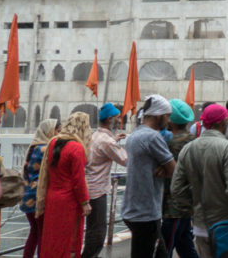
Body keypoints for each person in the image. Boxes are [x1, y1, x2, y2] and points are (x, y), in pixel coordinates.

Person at [172, 104, 228, 257]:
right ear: (222, 122)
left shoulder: (188, 149)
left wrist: (195, 207)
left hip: (201, 225)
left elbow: (177, 189)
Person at [122, 95, 176, 258]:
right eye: (167, 116)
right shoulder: (153, 137)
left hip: (132, 208)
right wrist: (166, 167)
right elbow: (174, 170)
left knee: (160, 254)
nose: (168, 121)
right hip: (145, 213)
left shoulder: (134, 135)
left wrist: (163, 167)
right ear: (158, 115)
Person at [36, 112, 92, 258]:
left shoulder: (53, 142)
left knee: (52, 239)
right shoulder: (77, 148)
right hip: (69, 202)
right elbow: (78, 180)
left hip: (52, 198)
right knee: (69, 241)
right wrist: (85, 202)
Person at [82, 104, 128, 258]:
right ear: (109, 119)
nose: (119, 120)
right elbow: (126, 160)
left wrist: (114, 140)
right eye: (117, 117)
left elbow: (103, 148)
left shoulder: (95, 136)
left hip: (89, 189)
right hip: (97, 191)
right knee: (98, 232)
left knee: (91, 229)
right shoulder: (107, 142)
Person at [161, 99, 199, 258]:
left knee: (165, 249)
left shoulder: (171, 142)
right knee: (185, 246)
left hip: (173, 206)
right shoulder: (193, 140)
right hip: (187, 204)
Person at [21, 119, 59, 258]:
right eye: (57, 131)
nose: (58, 135)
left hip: (27, 196)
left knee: (34, 232)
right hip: (38, 197)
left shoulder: (33, 146)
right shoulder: (45, 148)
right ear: (49, 131)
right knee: (43, 234)